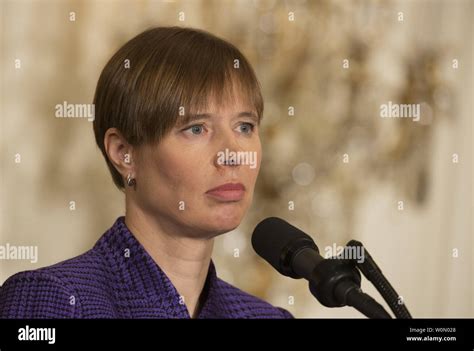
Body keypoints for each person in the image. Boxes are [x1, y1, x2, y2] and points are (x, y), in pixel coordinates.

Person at [0, 26, 292, 319]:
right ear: (123, 153)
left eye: (244, 127)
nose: (232, 154)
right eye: (196, 129)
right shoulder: (56, 299)